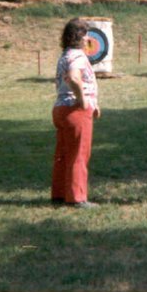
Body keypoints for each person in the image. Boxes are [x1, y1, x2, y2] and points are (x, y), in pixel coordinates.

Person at [51, 18, 101, 209]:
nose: (88, 39)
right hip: (75, 110)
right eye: (86, 35)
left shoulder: (65, 55)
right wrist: (83, 100)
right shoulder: (78, 56)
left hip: (61, 109)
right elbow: (73, 77)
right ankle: (77, 198)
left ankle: (59, 194)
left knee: (63, 154)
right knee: (78, 154)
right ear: (79, 36)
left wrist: (92, 102)